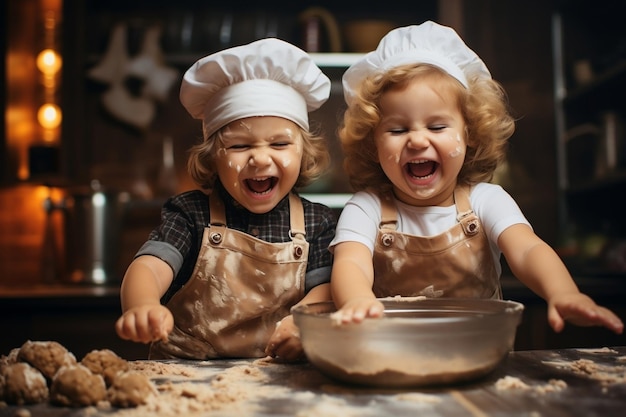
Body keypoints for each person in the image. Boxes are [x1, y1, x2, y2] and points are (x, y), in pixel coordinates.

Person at [329, 21, 624, 336]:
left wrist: (564, 292)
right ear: (373, 144)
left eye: (437, 126)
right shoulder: (367, 207)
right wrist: (357, 300)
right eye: (398, 129)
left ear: (469, 133)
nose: (416, 140)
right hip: (390, 352)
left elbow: (527, 250)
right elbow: (351, 263)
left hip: (480, 352)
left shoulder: (486, 200)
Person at [115, 38, 337, 361]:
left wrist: (306, 321)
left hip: (277, 377)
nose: (260, 159)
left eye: (279, 144)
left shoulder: (317, 222)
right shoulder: (190, 215)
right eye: (239, 146)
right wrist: (142, 305)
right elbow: (149, 268)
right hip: (185, 373)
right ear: (212, 157)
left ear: (303, 153)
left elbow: (328, 289)